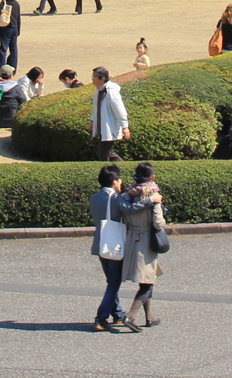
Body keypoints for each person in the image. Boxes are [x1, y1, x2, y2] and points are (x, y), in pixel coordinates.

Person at [119, 162, 167, 329]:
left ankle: (149, 317)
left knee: (147, 277)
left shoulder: (128, 194)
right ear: (152, 177)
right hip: (146, 240)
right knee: (147, 283)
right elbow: (158, 223)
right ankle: (130, 317)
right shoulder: (153, 195)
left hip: (132, 238)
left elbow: (125, 212)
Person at [89, 164, 131, 331]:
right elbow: (130, 210)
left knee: (111, 281)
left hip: (101, 243)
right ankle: (101, 317)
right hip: (115, 244)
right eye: (119, 179)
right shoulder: (116, 199)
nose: (121, 182)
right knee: (114, 282)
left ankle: (118, 314)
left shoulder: (94, 198)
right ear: (114, 181)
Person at [90, 67, 129, 160]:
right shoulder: (99, 90)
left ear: (102, 78)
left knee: (104, 155)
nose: (92, 79)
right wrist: (92, 121)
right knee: (109, 153)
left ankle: (108, 171)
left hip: (109, 128)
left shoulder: (111, 91)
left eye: (95, 77)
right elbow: (97, 108)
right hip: (102, 128)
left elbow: (119, 109)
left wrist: (125, 127)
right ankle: (125, 167)